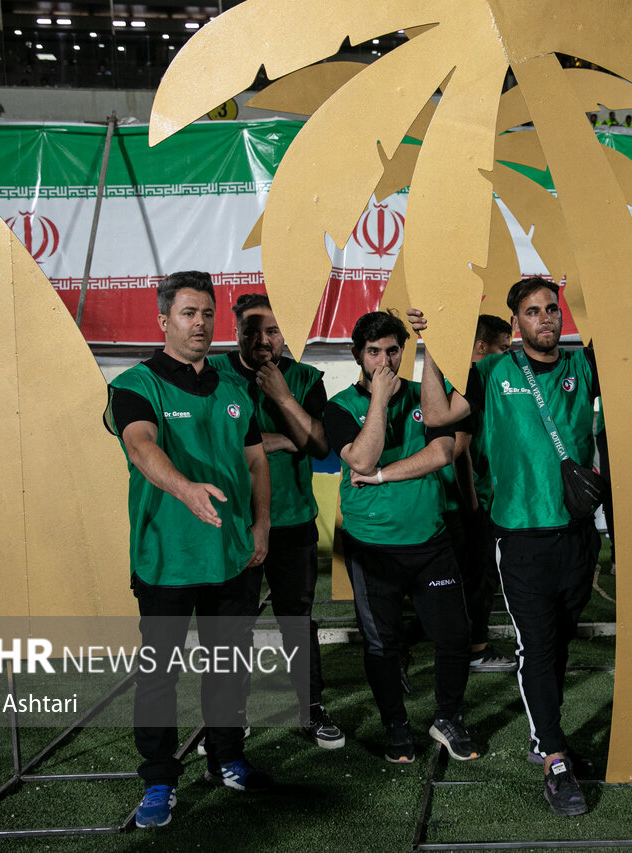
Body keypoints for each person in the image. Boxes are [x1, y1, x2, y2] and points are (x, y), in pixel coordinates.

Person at [413, 278, 604, 818]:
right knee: (537, 646)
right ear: (515, 322)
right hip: (519, 537)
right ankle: (554, 756)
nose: (545, 318)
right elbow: (435, 416)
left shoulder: (582, 367)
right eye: (532, 311)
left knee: (559, 640)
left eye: (551, 308)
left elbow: (629, 339)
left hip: (577, 533)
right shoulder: (492, 373)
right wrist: (428, 350)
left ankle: (544, 735)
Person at [105, 271, 273, 828]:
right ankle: (157, 779)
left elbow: (255, 460)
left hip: (231, 556)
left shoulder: (233, 384)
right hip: (166, 560)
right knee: (159, 674)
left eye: (207, 314)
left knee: (228, 666)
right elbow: (140, 444)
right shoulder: (134, 384)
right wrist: (185, 489)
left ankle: (226, 758)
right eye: (187, 313)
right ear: (163, 321)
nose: (199, 323)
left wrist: (262, 525)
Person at [321, 311, 479, 765]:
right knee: (382, 644)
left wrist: (385, 476)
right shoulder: (339, 407)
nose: (385, 361)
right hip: (372, 547)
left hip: (430, 541)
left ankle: (448, 717)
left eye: (393, 351)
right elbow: (362, 461)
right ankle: (395, 724)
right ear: (358, 356)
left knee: (453, 636)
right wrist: (380, 402)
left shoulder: (425, 398)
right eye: (374, 353)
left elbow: (442, 452)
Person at [209, 293, 345, 749]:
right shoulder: (213, 375)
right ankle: (232, 716)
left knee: (297, 620)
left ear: (286, 332)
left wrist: (283, 397)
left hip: (293, 521)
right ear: (236, 333)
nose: (263, 339)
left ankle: (310, 708)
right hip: (234, 523)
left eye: (272, 330)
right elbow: (215, 444)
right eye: (252, 329)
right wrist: (285, 439)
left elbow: (321, 447)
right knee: (233, 623)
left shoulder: (305, 379)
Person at [458, 314, 520, 672]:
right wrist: (473, 502)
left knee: (479, 575)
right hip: (474, 499)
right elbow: (460, 450)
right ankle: (476, 648)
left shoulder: (489, 382)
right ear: (481, 348)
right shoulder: (473, 382)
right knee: (477, 575)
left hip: (484, 496)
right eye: (503, 349)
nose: (509, 356)